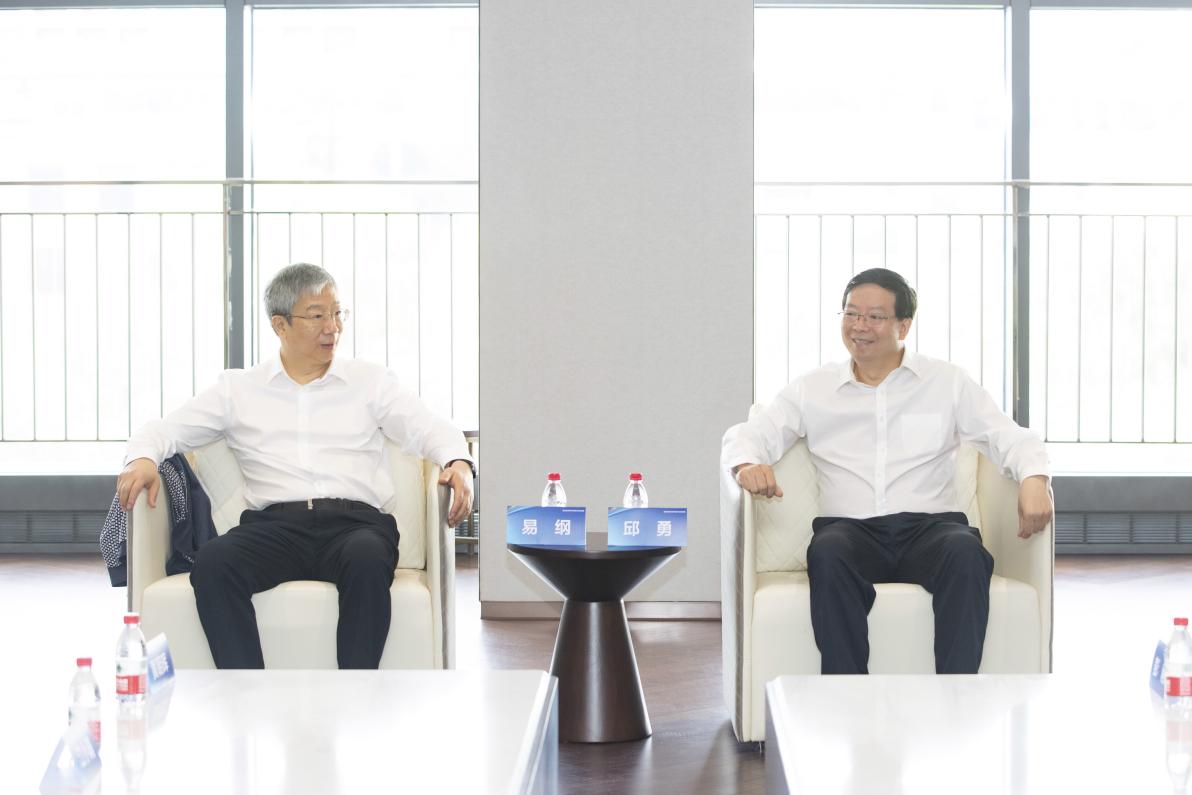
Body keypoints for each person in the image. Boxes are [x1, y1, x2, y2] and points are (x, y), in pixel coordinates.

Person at [116, 263, 474, 669]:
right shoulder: (239, 390)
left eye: (337, 314)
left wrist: (459, 461)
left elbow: (429, 427)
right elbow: (164, 430)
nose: (332, 328)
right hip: (275, 529)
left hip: (355, 525)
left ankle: (356, 692)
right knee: (215, 563)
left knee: (368, 559)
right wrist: (142, 458)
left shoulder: (370, 382)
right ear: (280, 325)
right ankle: (248, 691)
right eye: (317, 316)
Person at [722, 267, 1052, 675]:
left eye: (875, 317)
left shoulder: (946, 382)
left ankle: (957, 695)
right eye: (851, 313)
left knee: (966, 553)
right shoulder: (813, 388)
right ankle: (847, 696)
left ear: (904, 325)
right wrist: (747, 463)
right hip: (850, 531)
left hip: (931, 530)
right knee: (827, 552)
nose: (859, 326)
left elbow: (1008, 436)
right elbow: (749, 434)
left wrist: (1035, 477)